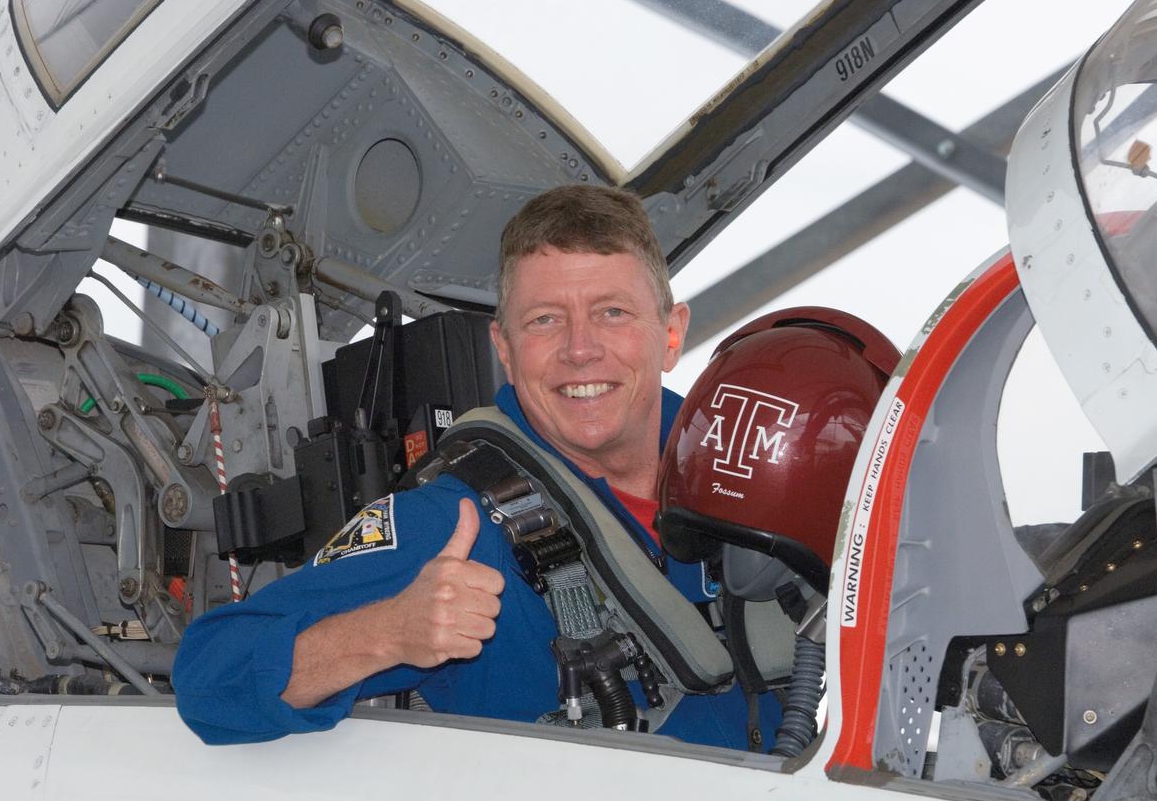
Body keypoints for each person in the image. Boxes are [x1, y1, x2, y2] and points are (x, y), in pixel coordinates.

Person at [172, 184, 779, 748]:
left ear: (671, 335)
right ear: (505, 352)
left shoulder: (771, 473)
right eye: (545, 320)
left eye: (612, 312)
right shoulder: (453, 523)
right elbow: (209, 678)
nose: (579, 348)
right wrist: (389, 631)